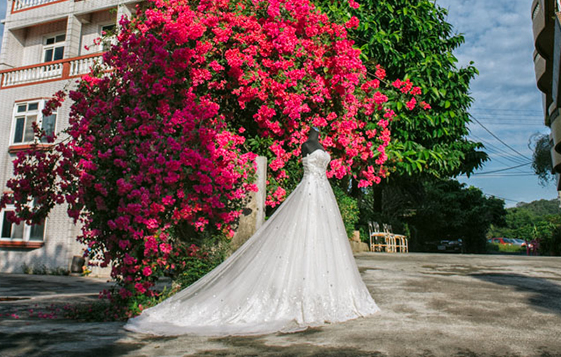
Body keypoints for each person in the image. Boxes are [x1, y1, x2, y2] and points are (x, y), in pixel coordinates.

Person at [124, 127, 379, 336]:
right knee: (303, 237)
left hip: (324, 197)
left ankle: (324, 292)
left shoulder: (319, 144)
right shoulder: (307, 145)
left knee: (323, 241)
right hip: (309, 193)